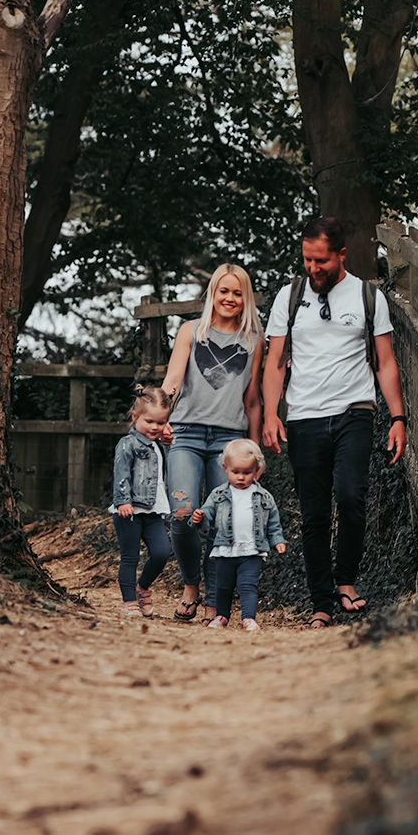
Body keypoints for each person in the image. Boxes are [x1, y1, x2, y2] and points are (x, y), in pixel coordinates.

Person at [262, 216, 407, 629]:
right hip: (305, 417)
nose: (313, 269)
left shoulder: (366, 296)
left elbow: (385, 362)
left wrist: (398, 417)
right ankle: (321, 601)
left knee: (350, 496)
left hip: (354, 413)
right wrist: (272, 414)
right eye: (307, 260)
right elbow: (274, 364)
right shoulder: (288, 298)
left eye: (321, 260)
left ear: (341, 254)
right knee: (313, 515)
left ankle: (346, 580)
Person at [157, 263, 265, 622]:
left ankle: (214, 602)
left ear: (245, 297)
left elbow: (252, 399)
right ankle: (191, 584)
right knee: (182, 515)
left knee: (222, 523)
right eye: (224, 291)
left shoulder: (253, 340)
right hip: (185, 434)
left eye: (237, 293)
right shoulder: (190, 332)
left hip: (230, 441)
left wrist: (254, 452)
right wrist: (162, 416)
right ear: (213, 294)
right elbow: (172, 379)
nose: (230, 298)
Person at [191, 438, 286, 631]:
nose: (241, 477)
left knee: (247, 585)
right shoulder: (218, 494)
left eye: (247, 472)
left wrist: (278, 540)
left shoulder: (264, 497)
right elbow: (208, 511)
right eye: (236, 472)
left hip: (252, 550)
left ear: (257, 470)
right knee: (223, 586)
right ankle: (221, 616)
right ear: (226, 468)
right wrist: (200, 516)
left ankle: (248, 618)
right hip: (226, 549)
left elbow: (273, 522)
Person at [111, 387, 177, 619]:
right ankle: (129, 602)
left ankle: (142, 588)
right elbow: (121, 473)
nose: (154, 427)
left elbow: (165, 471)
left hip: (153, 510)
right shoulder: (127, 444)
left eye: (160, 423)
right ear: (135, 416)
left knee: (161, 553)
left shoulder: (158, 444)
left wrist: (168, 444)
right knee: (130, 556)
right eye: (149, 421)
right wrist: (122, 501)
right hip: (129, 510)